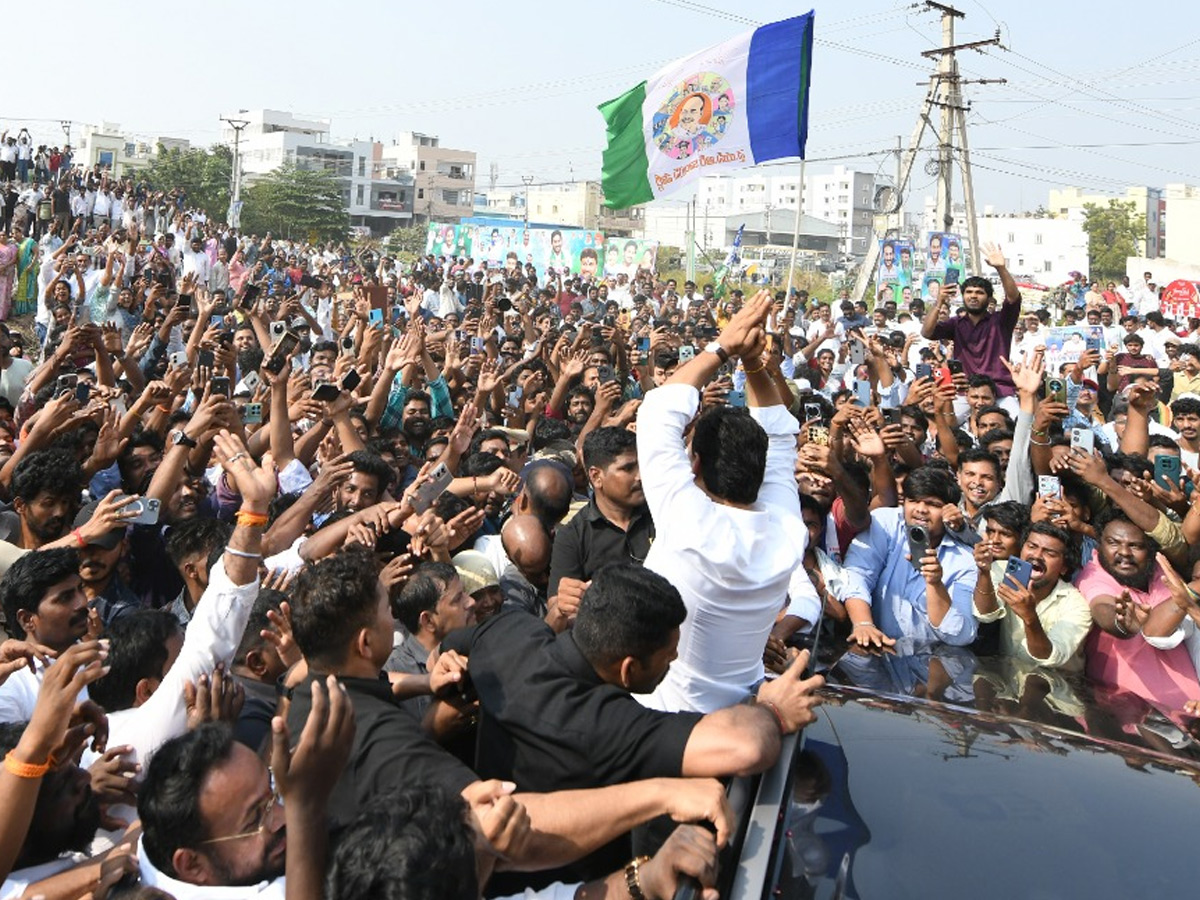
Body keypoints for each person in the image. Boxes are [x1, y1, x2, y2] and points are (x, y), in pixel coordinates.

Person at [635, 291, 806, 714]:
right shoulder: (787, 532)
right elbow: (780, 434)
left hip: (668, 722)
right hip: (742, 714)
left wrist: (724, 346)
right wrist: (752, 364)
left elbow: (657, 410)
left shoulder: (687, 523)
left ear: (694, 463)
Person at [838, 466, 979, 648]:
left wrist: (935, 584)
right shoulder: (885, 522)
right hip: (878, 651)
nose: (921, 510)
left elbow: (962, 635)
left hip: (935, 660)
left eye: (933, 504)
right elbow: (857, 573)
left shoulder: (965, 560)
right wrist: (863, 624)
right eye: (913, 501)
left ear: (950, 510)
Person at [547, 427, 654, 616]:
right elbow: (557, 613)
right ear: (596, 476)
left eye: (641, 465)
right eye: (628, 468)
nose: (640, 476)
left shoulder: (662, 515)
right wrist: (564, 606)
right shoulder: (572, 537)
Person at [971, 522, 1091, 669]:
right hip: (1009, 676)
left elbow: (1051, 658)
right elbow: (986, 614)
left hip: (1057, 680)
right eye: (1032, 546)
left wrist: (1030, 617)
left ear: (1064, 568)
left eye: (1050, 553)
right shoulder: (1002, 571)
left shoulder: (1076, 605)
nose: (1037, 555)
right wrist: (984, 572)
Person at [922, 243, 1022, 406]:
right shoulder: (955, 323)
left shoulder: (1001, 321)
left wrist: (1001, 268)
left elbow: (1013, 298)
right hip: (965, 392)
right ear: (963, 296)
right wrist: (939, 301)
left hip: (1000, 391)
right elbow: (927, 332)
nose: (973, 296)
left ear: (989, 299)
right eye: (968, 292)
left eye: (979, 293)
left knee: (1017, 421)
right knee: (944, 420)